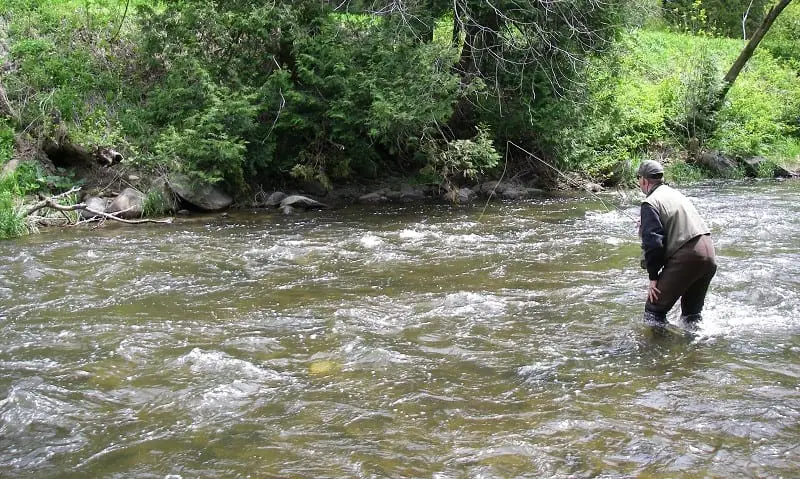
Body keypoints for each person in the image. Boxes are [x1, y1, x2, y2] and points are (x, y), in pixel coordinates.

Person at [636, 160, 717, 327]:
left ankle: (657, 352)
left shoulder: (650, 202)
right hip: (709, 255)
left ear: (644, 180)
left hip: (688, 256)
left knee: (653, 312)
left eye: (638, 178)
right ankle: (695, 349)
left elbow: (654, 244)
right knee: (691, 316)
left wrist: (653, 277)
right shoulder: (675, 194)